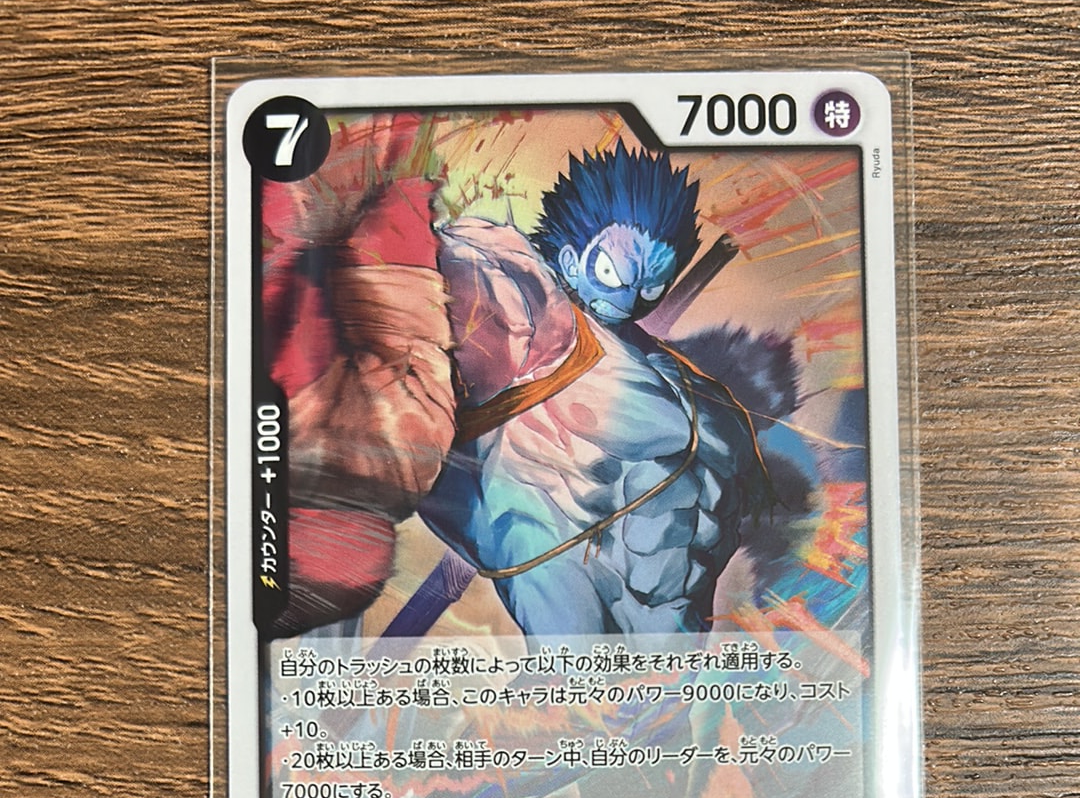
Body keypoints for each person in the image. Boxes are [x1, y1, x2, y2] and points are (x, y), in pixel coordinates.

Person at [262, 120, 772, 641]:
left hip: (553, 494)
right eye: (615, 276)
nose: (625, 302)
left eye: (649, 290)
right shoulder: (492, 275)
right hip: (499, 491)